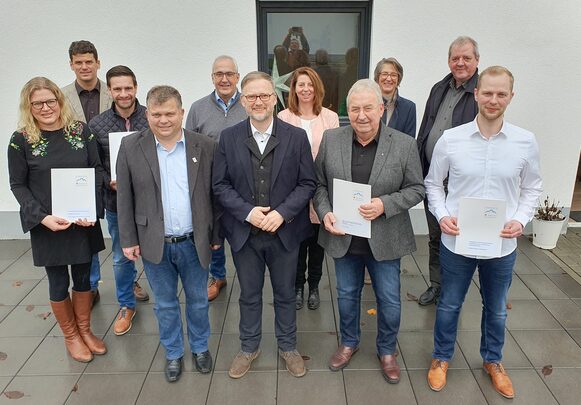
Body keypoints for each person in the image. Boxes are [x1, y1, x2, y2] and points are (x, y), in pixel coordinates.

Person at [425, 66, 543, 399]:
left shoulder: (525, 141)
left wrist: (520, 219)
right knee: (449, 304)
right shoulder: (452, 139)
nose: (493, 99)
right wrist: (443, 214)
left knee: (496, 307)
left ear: (510, 96)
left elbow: (532, 187)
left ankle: (493, 360)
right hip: (457, 240)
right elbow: (433, 184)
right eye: (487, 92)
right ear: (476, 93)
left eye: (501, 93)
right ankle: (441, 357)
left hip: (502, 245)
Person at [314, 79, 424, 384]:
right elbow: (319, 184)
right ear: (347, 110)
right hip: (344, 239)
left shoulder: (403, 144)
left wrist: (385, 204)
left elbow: (417, 188)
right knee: (346, 295)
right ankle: (349, 342)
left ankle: (387, 350)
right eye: (354, 108)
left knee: (389, 299)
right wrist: (325, 213)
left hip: (386, 238)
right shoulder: (332, 139)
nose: (361, 115)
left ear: (381, 108)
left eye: (367, 108)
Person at [213, 71, 316, 379]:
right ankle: (249, 347)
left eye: (264, 95)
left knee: (285, 294)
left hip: (285, 234)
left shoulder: (296, 137)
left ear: (275, 99)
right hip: (245, 235)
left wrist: (281, 213)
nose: (258, 101)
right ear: (242, 101)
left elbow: (307, 182)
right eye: (251, 96)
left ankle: (288, 347)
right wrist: (248, 212)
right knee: (249, 294)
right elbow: (220, 185)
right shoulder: (228, 137)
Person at [116, 85, 221, 383]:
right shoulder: (130, 147)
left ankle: (200, 348)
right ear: (147, 114)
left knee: (199, 301)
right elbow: (124, 197)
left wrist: (217, 235)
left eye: (170, 113)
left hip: (194, 241)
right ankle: (173, 352)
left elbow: (216, 197)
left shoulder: (205, 146)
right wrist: (128, 239)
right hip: (154, 243)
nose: (164, 120)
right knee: (165, 304)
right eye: (157, 114)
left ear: (182, 113)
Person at [8, 77, 106, 363]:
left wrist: (91, 211)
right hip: (48, 224)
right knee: (58, 280)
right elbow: (18, 185)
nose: (46, 107)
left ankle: (85, 330)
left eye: (50, 101)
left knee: (84, 276)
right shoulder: (21, 140)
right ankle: (71, 335)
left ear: (59, 101)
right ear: (29, 106)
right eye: (37, 103)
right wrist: (42, 218)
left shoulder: (80, 131)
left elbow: (96, 170)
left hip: (82, 222)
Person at [415, 36, 480, 306]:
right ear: (449, 60)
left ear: (477, 60)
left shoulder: (479, 92)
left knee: (457, 237)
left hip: (461, 182)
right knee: (434, 236)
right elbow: (426, 128)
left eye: (466, 57)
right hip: (433, 176)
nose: (460, 62)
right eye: (455, 58)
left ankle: (454, 291)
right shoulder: (439, 88)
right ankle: (437, 285)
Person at [88, 65, 150, 336]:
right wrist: (108, 181)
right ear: (109, 90)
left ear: (136, 87)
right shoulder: (97, 125)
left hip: (151, 202)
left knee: (158, 254)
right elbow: (94, 165)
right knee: (120, 256)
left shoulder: (152, 117)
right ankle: (126, 305)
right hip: (116, 203)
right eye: (117, 88)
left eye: (128, 88)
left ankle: (168, 304)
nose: (123, 93)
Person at [185, 55, 247, 301]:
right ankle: (218, 276)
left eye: (229, 74)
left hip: (244, 185)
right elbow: (189, 145)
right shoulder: (198, 108)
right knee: (215, 233)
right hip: (210, 184)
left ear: (237, 77)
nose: (224, 79)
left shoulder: (249, 104)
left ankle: (247, 276)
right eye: (219, 74)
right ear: (212, 78)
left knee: (244, 233)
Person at [277, 67, 339, 310]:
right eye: (300, 85)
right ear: (293, 89)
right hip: (293, 191)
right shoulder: (283, 117)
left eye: (309, 84)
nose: (305, 89)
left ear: (317, 88)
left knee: (317, 243)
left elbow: (332, 155)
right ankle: (297, 287)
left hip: (321, 188)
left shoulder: (330, 118)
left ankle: (314, 286)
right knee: (295, 244)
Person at [61, 40, 113, 306]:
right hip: (80, 174)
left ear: (97, 63)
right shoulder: (61, 97)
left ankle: (130, 279)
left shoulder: (114, 92)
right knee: (86, 231)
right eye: (78, 62)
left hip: (113, 171)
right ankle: (90, 285)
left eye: (88, 61)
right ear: (71, 65)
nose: (84, 67)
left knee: (120, 230)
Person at [373, 57, 416, 137]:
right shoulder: (369, 104)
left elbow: (409, 142)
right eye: (385, 74)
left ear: (398, 79)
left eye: (393, 75)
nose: (389, 79)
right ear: (377, 77)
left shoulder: (409, 108)